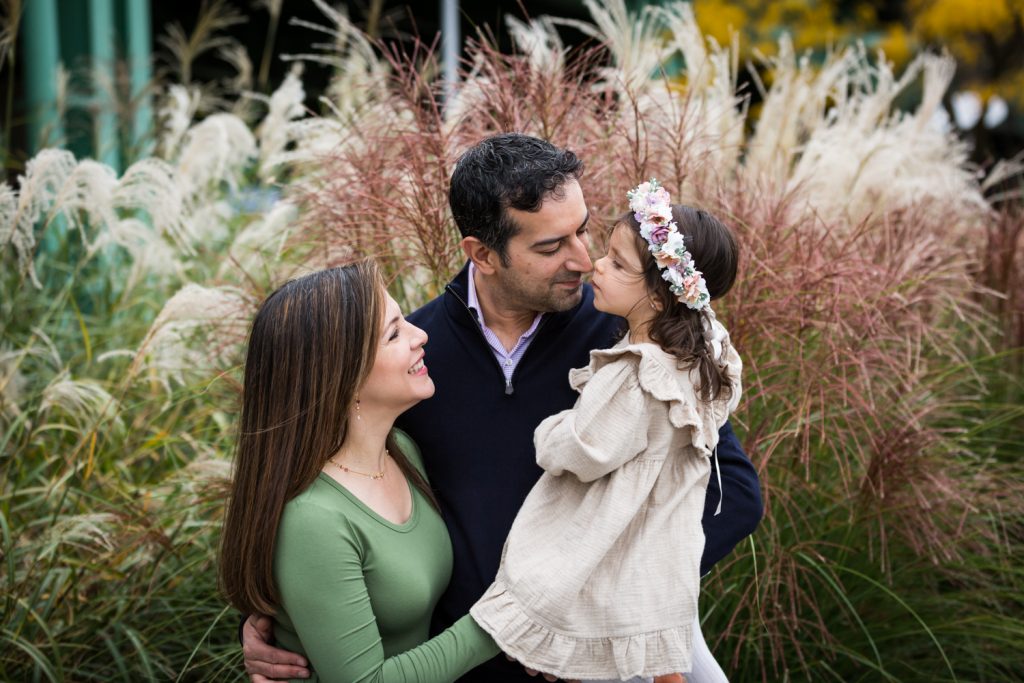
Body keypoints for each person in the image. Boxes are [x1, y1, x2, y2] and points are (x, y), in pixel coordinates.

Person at [242, 133, 762, 682]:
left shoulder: (638, 340)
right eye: (550, 247)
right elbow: (318, 487)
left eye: (582, 230)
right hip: (455, 669)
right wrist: (282, 624)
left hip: (593, 664)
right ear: (482, 254)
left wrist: (593, 607)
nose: (583, 260)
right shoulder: (407, 359)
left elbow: (734, 494)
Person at [471, 180, 742, 682]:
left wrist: (550, 430)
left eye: (617, 264)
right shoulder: (706, 351)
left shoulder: (635, 375)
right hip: (665, 574)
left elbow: (583, 446)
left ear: (661, 297)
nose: (593, 264)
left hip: (618, 565)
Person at [220, 262, 500, 683]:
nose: (420, 335)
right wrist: (505, 621)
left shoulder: (400, 452)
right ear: (342, 374)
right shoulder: (313, 519)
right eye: (394, 333)